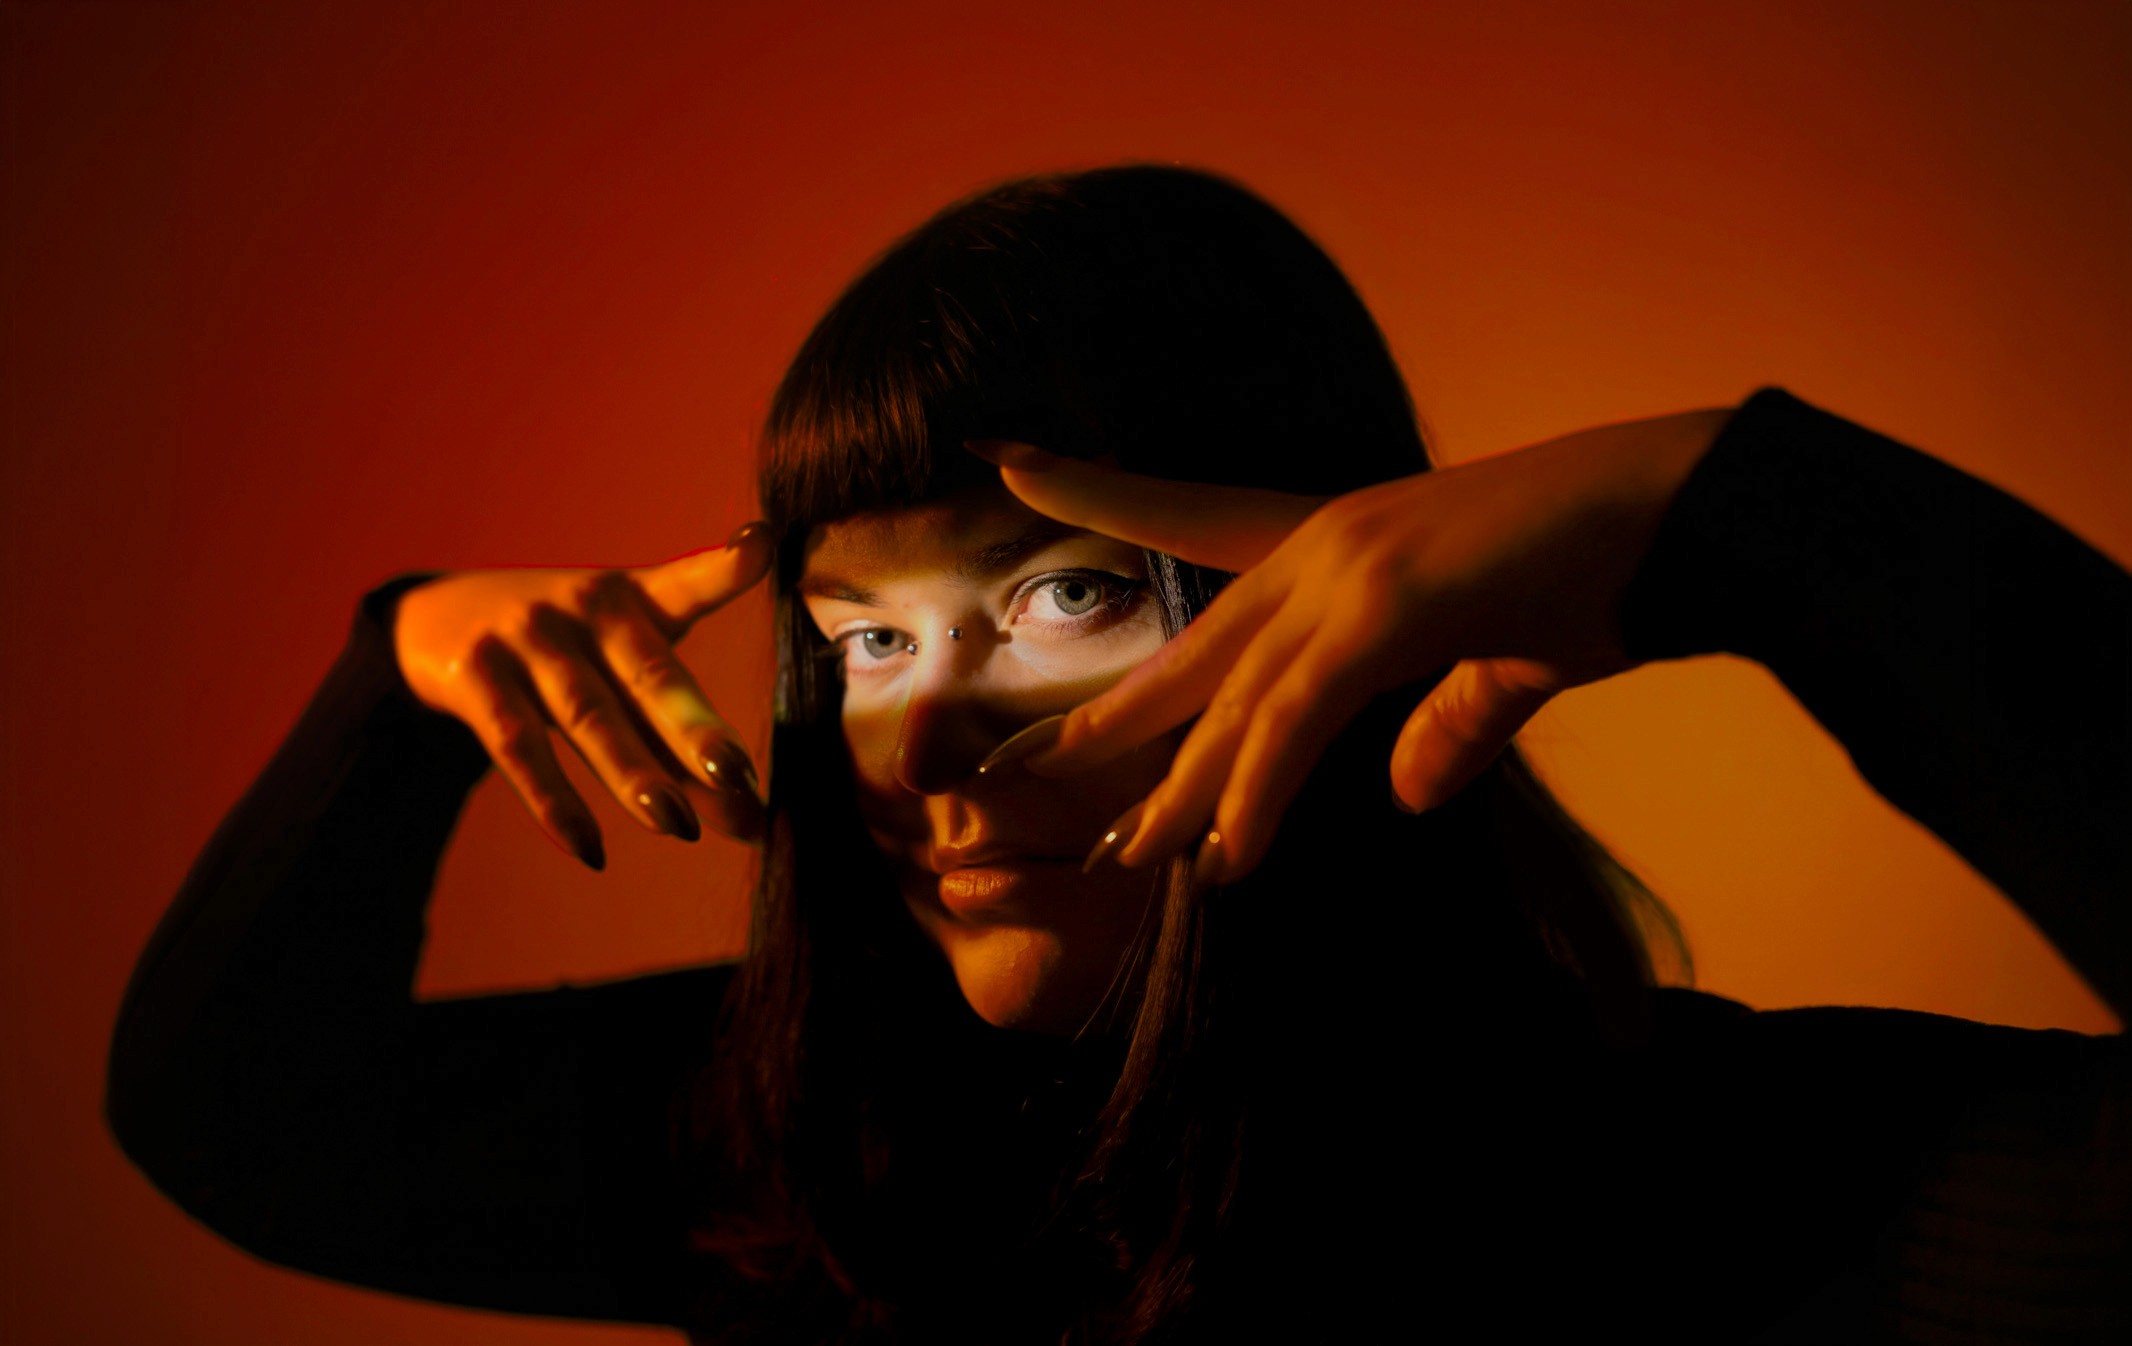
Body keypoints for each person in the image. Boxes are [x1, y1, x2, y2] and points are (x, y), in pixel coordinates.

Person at [107, 166, 2129, 1344]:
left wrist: (1771, 524)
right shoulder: (808, 1164)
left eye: (1060, 596)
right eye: (860, 635)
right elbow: (236, 1116)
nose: (917, 734)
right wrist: (408, 661)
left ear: (1371, 578)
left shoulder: (1743, 1190)